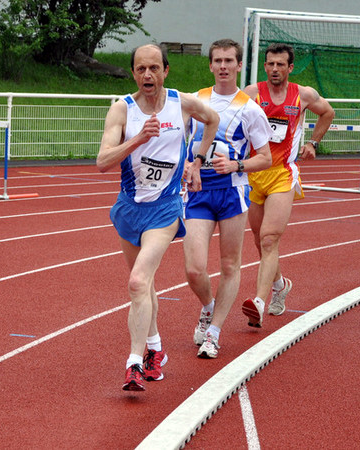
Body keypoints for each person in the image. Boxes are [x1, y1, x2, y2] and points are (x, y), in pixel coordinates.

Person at [97, 44, 219, 391]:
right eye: (140, 69)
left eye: (154, 68)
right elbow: (103, 162)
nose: (147, 75)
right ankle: (155, 349)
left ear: (166, 70)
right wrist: (138, 139)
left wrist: (197, 161)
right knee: (144, 285)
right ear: (133, 73)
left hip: (164, 211)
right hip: (128, 209)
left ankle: (134, 363)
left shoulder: (182, 104)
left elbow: (213, 119)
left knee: (137, 281)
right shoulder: (123, 109)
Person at [183, 39, 272, 359]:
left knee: (229, 265)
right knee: (194, 269)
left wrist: (237, 165)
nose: (223, 66)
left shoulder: (250, 108)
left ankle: (215, 332)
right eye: (217, 60)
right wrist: (186, 166)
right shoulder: (195, 100)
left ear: (238, 66)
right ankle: (208, 307)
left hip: (233, 193)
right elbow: (182, 142)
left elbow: (265, 157)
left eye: (229, 61)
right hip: (199, 193)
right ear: (210, 65)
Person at [241, 43, 335, 327]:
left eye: (280, 64)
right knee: (259, 240)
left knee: (270, 239)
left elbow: (327, 112)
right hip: (253, 173)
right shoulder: (251, 93)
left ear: (290, 67)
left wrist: (313, 142)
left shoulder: (304, 95)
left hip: (282, 173)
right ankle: (280, 284)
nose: (274, 69)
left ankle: (258, 301)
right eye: (270, 64)